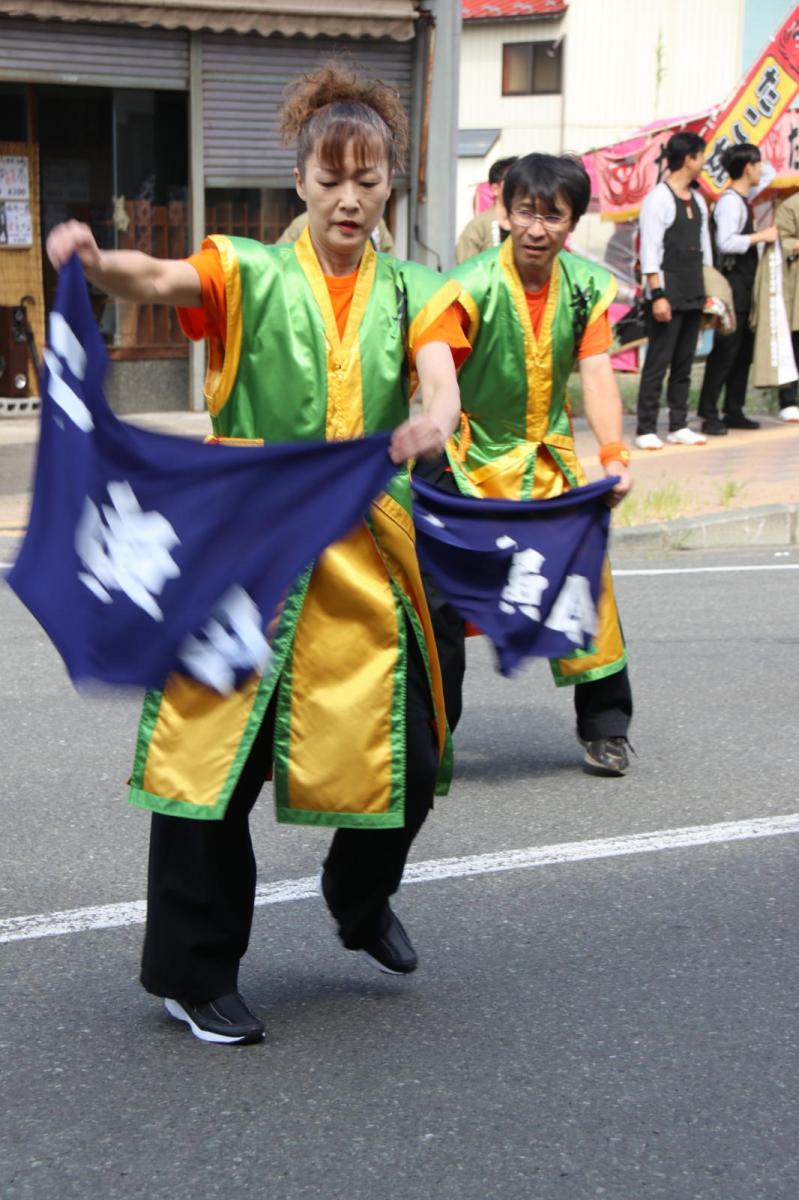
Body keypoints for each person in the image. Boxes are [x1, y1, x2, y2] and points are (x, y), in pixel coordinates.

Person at [46, 63, 469, 1046]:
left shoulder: (416, 288)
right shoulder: (247, 269)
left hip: (364, 552)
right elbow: (157, 278)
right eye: (333, 177)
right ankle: (193, 972)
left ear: (390, 185)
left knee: (408, 749)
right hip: (244, 555)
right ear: (301, 182)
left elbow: (441, 387)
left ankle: (358, 900)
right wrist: (97, 260)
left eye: (371, 178)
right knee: (211, 767)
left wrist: (428, 426)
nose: (352, 197)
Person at [418, 152, 634, 778]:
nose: (537, 228)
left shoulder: (588, 287)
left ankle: (606, 727)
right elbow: (439, 375)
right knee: (441, 603)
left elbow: (595, 374)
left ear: (573, 221)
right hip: (469, 457)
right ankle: (433, 738)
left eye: (552, 215)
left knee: (588, 581)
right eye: (525, 212)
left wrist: (614, 457)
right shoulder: (469, 285)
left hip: (549, 461)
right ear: (503, 212)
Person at [634, 132, 711, 450]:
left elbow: (705, 251)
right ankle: (645, 427)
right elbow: (650, 250)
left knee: (684, 361)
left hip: (693, 289)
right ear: (689, 158)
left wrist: (708, 293)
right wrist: (658, 295)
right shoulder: (658, 199)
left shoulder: (698, 199)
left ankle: (679, 423)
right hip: (667, 291)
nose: (704, 162)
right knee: (658, 361)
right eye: (701, 156)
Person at [697, 143, 777, 434]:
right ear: (747, 168)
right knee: (726, 350)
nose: (761, 167)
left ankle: (734, 409)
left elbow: (770, 173)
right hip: (733, 282)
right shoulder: (731, 202)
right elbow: (726, 242)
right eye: (757, 163)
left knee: (743, 350)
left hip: (746, 283)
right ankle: (708, 412)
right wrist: (761, 236)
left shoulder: (744, 196)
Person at [455, 156, 517, 263]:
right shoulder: (477, 228)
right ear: (495, 189)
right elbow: (466, 271)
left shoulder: (528, 224)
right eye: (512, 182)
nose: (518, 187)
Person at [775, 191, 799, 422]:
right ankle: (789, 400)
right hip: (796, 285)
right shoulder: (791, 205)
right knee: (794, 345)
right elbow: (782, 241)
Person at [278, 209, 394, 252]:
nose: (349, 202)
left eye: (366, 184)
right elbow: (278, 265)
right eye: (330, 183)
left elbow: (391, 269)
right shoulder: (303, 224)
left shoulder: (376, 226)